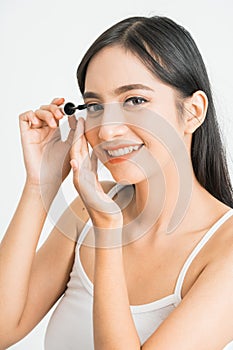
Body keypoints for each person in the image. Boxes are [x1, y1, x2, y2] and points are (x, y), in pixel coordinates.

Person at [0, 15, 233, 350]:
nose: (107, 130)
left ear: (193, 111)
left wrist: (108, 231)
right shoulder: (88, 213)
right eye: (94, 106)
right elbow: (4, 328)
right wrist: (41, 185)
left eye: (135, 101)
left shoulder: (225, 249)